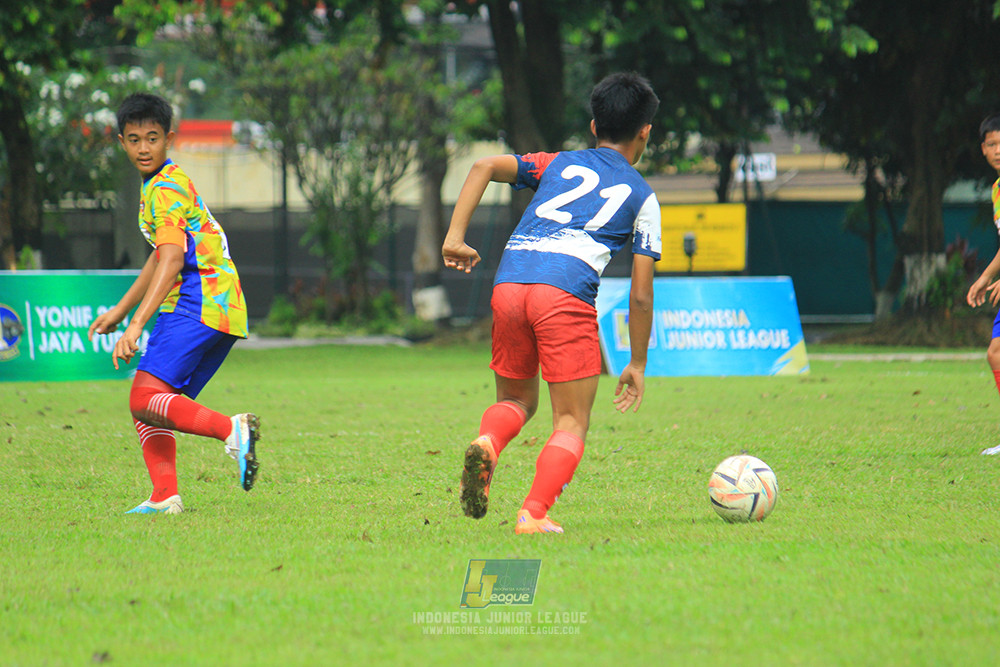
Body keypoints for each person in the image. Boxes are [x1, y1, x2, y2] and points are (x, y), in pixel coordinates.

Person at [442, 72, 661, 534]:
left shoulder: (558, 162)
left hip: (510, 281)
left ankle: (488, 441)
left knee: (518, 400)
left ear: (594, 126)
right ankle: (533, 514)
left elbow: (483, 166)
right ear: (645, 131)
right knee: (570, 420)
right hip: (563, 292)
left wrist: (454, 239)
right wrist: (636, 362)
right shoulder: (643, 195)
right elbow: (640, 294)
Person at [88, 92, 260, 513]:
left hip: (198, 299)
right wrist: (121, 311)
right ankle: (165, 496)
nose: (143, 148)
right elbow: (158, 254)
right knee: (150, 399)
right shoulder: (167, 181)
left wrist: (135, 326)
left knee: (144, 399)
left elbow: (171, 259)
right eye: (133, 139)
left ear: (169, 138)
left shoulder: (162, 190)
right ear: (122, 142)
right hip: (223, 303)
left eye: (152, 138)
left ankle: (231, 430)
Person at [969, 114, 1000, 455]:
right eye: (992, 144)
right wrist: (986, 276)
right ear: (983, 150)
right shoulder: (997, 189)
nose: (998, 150)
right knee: (996, 353)